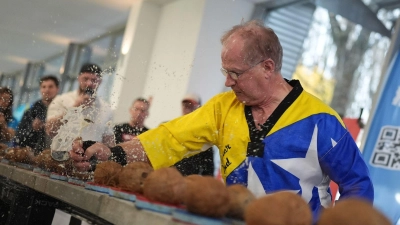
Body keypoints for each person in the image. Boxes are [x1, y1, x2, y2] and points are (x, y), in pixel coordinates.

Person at [70, 20, 374, 221]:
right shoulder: (223, 108)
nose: (228, 82)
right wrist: (113, 153)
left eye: (236, 73)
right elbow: (170, 138)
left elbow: (357, 185)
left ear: (268, 67)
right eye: (224, 72)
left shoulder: (321, 120)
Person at [46, 63, 115, 147]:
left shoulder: (106, 108)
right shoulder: (61, 100)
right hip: (64, 155)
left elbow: (108, 139)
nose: (89, 83)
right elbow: (50, 130)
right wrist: (74, 107)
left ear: (100, 82)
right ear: (78, 78)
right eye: (85, 79)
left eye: (94, 80)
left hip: (92, 158)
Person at [15, 75, 59, 154]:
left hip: (57, 154)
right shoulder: (31, 112)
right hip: (35, 156)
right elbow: (18, 138)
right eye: (44, 87)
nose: (47, 90)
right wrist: (33, 129)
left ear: (57, 89)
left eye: (50, 86)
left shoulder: (63, 110)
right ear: (40, 89)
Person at [173, 93, 215, 176]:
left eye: (190, 105)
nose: (187, 107)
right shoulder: (170, 128)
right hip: (167, 179)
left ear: (199, 108)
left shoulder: (204, 137)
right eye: (185, 105)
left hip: (188, 184)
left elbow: (208, 172)